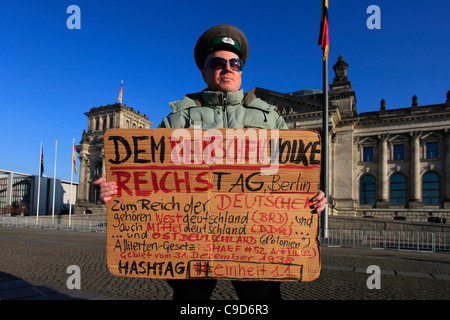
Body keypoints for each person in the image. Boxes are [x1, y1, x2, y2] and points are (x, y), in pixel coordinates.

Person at [95, 24, 327, 300]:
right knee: (190, 299)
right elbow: (149, 174)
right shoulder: (177, 119)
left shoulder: (271, 118)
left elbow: (291, 174)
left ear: (241, 71)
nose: (227, 68)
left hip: (258, 233)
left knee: (260, 300)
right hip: (189, 235)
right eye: (217, 63)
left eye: (234, 63)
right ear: (204, 72)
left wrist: (312, 196)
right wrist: (117, 189)